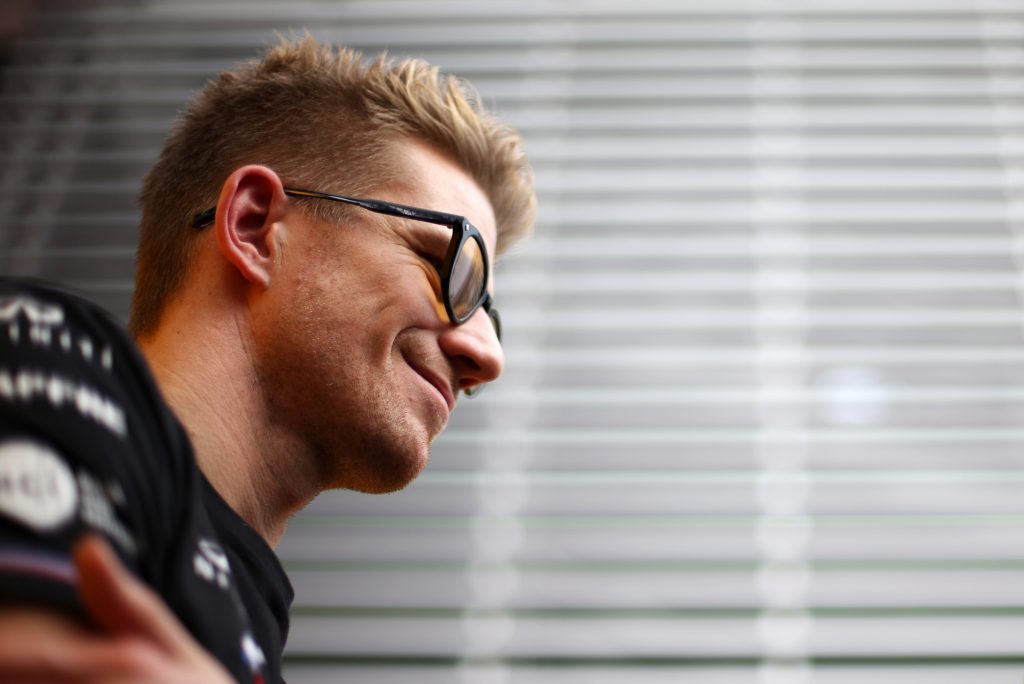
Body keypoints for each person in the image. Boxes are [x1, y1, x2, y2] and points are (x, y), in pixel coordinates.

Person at [0, 37, 535, 683]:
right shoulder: (38, 352)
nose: (487, 356)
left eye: (487, 311)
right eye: (450, 268)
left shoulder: (248, 642)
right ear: (254, 227)